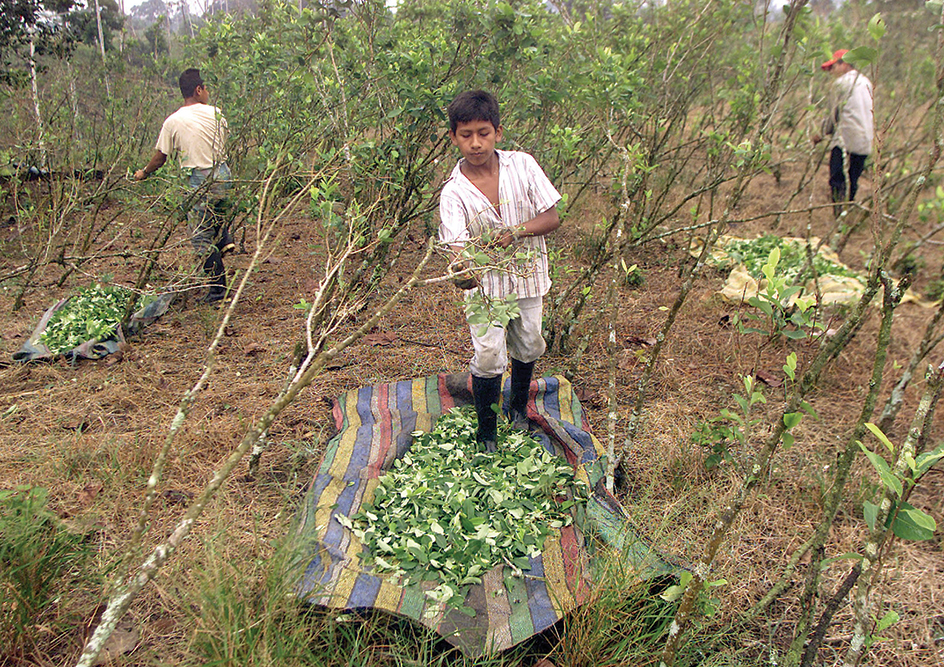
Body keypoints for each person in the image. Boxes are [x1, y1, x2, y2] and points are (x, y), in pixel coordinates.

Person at [438, 90, 561, 451]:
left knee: (529, 342)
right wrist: (462, 269)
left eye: (483, 133)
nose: (475, 143)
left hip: (528, 277)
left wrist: (515, 232)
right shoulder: (454, 192)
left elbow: (552, 217)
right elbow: (457, 245)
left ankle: (518, 410)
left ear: (498, 132)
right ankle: (487, 433)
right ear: (453, 137)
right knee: (489, 354)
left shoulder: (522, 165)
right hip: (486, 289)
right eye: (466, 135)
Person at [134, 68, 234, 303]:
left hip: (199, 178)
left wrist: (144, 173)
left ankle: (218, 292)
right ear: (198, 90)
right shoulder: (216, 113)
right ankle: (224, 238)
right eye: (206, 88)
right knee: (216, 215)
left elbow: (160, 157)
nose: (208, 92)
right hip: (223, 174)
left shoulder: (173, 121)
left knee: (201, 238)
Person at [812, 49, 874, 211]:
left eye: (833, 67)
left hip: (845, 138)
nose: (831, 72)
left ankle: (839, 216)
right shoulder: (866, 82)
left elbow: (834, 115)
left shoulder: (840, 84)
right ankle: (847, 211)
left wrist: (820, 133)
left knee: (837, 180)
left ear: (844, 64)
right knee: (853, 180)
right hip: (865, 140)